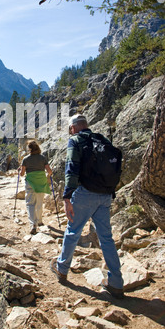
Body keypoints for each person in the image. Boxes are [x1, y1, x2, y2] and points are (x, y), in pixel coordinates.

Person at [50, 114, 124, 299]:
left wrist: (67, 198)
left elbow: (72, 168)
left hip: (85, 193)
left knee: (73, 231)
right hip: (105, 194)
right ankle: (116, 282)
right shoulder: (101, 139)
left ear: (73, 128)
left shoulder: (75, 141)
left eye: (69, 129)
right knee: (106, 237)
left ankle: (62, 268)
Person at [19, 140, 52, 235]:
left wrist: (20, 170)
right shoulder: (43, 158)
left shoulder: (25, 159)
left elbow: (22, 174)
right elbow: (49, 171)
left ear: (29, 149)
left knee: (30, 203)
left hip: (30, 182)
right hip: (41, 181)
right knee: (39, 202)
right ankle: (40, 221)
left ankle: (33, 224)